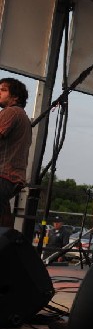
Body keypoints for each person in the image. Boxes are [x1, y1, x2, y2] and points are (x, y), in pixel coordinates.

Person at [0, 77, 32, 228]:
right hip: (12, 178)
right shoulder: (23, 116)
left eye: (3, 90)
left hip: (3, 175)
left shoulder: (11, 112)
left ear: (15, 97)